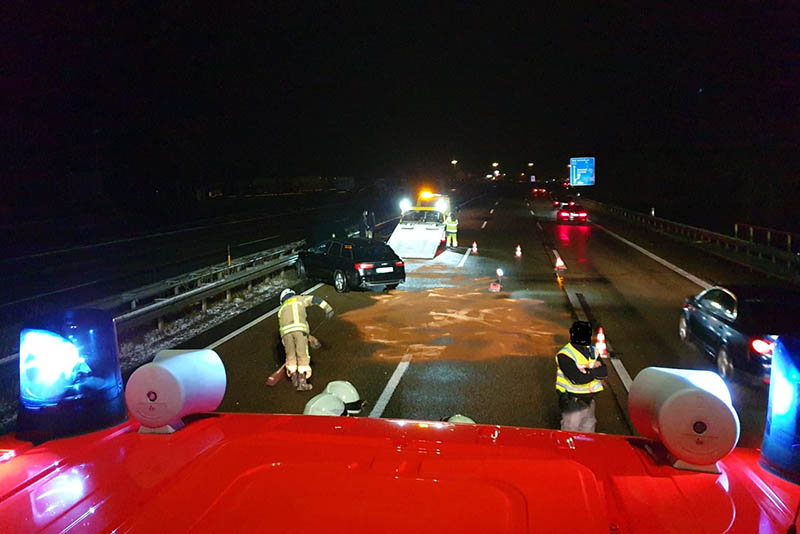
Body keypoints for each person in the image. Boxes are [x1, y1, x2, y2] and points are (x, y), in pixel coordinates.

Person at [555, 321, 607, 432]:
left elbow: (604, 371)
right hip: (572, 401)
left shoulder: (592, 351)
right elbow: (577, 379)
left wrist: (586, 370)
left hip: (589, 401)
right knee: (570, 432)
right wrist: (594, 370)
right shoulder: (565, 354)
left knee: (588, 430)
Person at [278, 288, 334, 391]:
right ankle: (302, 383)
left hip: (285, 334)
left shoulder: (281, 309)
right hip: (300, 331)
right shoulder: (300, 299)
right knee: (302, 355)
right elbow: (315, 299)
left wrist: (284, 340)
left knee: (290, 356)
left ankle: (294, 378)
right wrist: (328, 308)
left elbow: (281, 327)